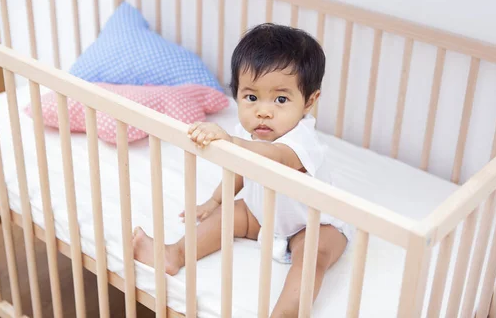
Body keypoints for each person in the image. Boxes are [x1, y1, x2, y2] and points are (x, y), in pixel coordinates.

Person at [133, 23, 351, 317]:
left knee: (313, 258)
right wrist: (215, 201)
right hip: (265, 213)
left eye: (281, 99)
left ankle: (285, 313)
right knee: (230, 214)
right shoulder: (249, 133)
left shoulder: (302, 141)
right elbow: (239, 171)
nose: (263, 111)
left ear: (309, 101)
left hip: (314, 223)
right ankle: (175, 253)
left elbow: (274, 157)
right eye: (251, 97)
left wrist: (231, 142)